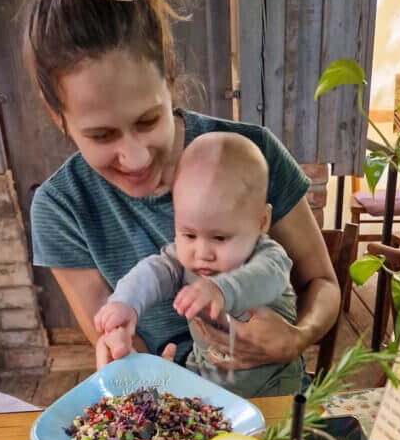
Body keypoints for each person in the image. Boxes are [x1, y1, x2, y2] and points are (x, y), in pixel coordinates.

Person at [24, 0, 339, 373]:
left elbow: (323, 284)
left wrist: (295, 338)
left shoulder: (251, 154)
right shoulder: (61, 208)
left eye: (147, 120)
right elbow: (117, 330)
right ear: (55, 113)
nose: (135, 158)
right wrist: (129, 359)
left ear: (169, 76)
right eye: (102, 136)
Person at [94, 132, 304, 397]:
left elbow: (266, 277)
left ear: (261, 222)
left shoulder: (268, 257)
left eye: (219, 237)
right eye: (189, 234)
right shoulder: (184, 260)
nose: (202, 253)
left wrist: (221, 288)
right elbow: (155, 270)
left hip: (273, 391)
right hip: (204, 383)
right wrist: (126, 302)